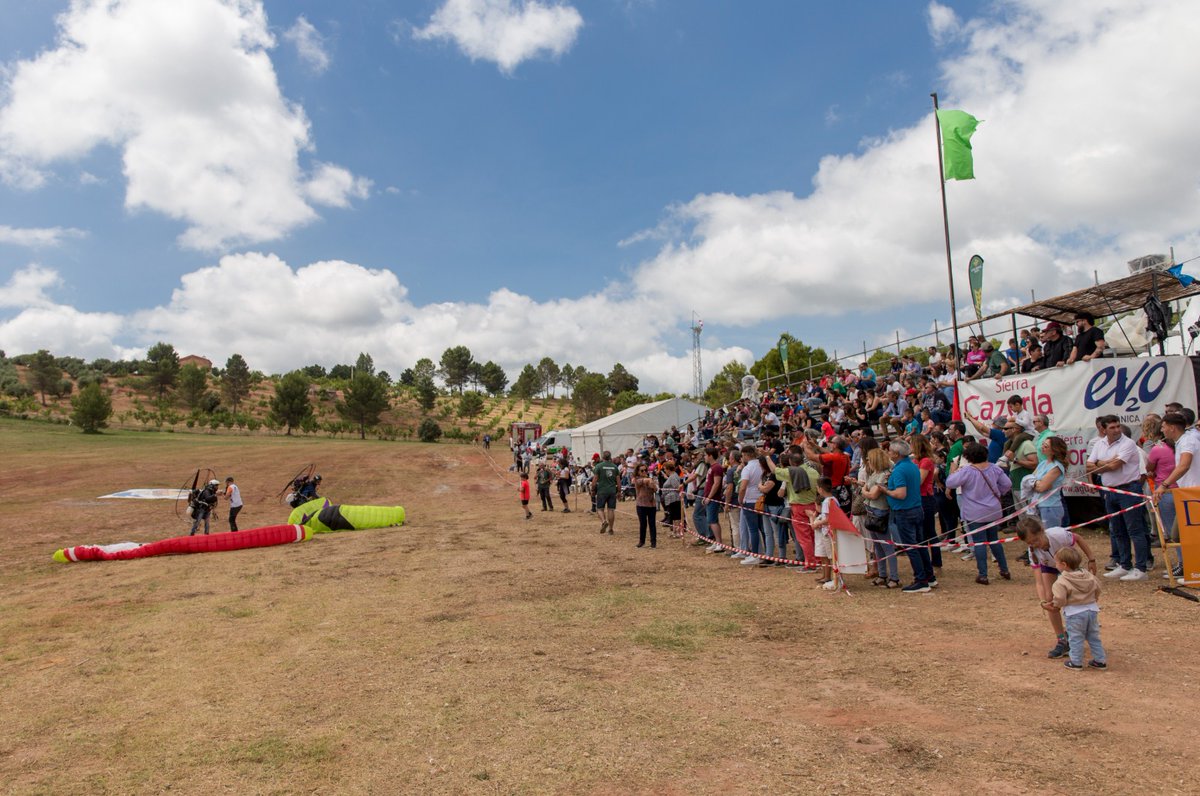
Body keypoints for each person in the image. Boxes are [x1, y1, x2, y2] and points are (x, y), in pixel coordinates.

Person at [1016, 516, 1098, 659]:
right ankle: (1062, 639)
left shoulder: (1058, 535)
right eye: (1030, 543)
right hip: (1049, 566)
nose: (1035, 545)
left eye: (1036, 540)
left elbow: (1078, 538)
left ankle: (1079, 629)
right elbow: (1039, 580)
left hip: (1067, 564)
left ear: (1042, 531)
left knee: (1076, 596)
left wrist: (1091, 559)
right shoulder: (1033, 552)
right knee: (1050, 599)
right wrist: (1043, 602)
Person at [1086, 414, 1150, 580]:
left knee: (1135, 529)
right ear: (1104, 429)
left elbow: (1116, 465)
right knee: (1117, 529)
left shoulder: (1128, 443)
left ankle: (1141, 568)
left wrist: (1102, 463)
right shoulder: (1099, 443)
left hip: (1128, 489)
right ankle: (1124, 564)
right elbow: (1089, 465)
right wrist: (1106, 463)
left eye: (1117, 426)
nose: (1116, 430)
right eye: (1112, 427)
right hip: (1110, 490)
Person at [945, 442, 1012, 584]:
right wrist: (998, 493)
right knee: (994, 540)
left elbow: (950, 483)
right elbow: (1007, 484)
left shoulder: (967, 471)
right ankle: (1004, 569)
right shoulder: (995, 468)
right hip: (993, 510)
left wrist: (954, 470)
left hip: (974, 512)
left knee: (979, 542)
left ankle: (983, 574)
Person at [1043, 546, 1107, 670]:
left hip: (1074, 613)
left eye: (1056, 562)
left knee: (1075, 637)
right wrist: (1095, 598)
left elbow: (1060, 598)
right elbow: (1098, 586)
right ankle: (1100, 660)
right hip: (1092, 610)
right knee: (1093, 636)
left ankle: (1076, 661)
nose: (1055, 565)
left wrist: (1055, 605)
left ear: (1064, 564)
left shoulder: (1061, 581)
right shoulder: (1087, 575)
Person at [883, 440, 934, 593]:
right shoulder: (912, 465)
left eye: (890, 451)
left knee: (911, 546)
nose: (889, 453)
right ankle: (929, 576)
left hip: (905, 511)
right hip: (916, 508)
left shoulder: (900, 470)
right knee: (920, 544)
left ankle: (921, 579)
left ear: (896, 454)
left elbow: (900, 493)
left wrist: (885, 491)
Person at [1155, 413, 1198, 578]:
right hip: (1188, 493)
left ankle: (1189, 567)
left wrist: (1164, 485)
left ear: (1172, 427)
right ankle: (1187, 566)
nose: (1163, 430)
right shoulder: (1183, 441)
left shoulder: (1188, 440)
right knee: (1179, 534)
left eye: (1164, 427)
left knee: (1181, 534)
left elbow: (1184, 465)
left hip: (1193, 493)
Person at [860, 447, 899, 587]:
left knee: (887, 546)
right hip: (871, 510)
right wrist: (864, 488)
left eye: (870, 459)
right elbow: (868, 489)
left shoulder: (884, 474)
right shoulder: (874, 473)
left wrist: (864, 490)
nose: (868, 462)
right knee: (877, 546)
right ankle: (882, 574)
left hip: (880, 511)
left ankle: (894, 577)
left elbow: (873, 494)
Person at [1030, 436, 1069, 527]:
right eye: (1042, 444)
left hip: (1050, 506)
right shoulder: (1042, 463)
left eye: (1046, 446)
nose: (1042, 447)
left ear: (1054, 450)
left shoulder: (1056, 466)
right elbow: (1029, 481)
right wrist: (1038, 483)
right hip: (1038, 504)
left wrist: (1036, 483)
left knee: (1050, 537)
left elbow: (1041, 487)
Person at [807, 478, 839, 589]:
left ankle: (835, 579)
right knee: (826, 555)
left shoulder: (826, 502)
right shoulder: (833, 499)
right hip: (829, 532)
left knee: (831, 557)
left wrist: (817, 523)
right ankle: (826, 576)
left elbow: (828, 518)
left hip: (828, 532)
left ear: (821, 489)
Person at [593, 451, 619, 535]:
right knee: (611, 509)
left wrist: (593, 490)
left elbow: (595, 479)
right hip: (612, 491)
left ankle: (604, 521)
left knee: (600, 509)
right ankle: (611, 529)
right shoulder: (615, 467)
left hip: (602, 490)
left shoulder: (598, 466)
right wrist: (619, 491)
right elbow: (618, 481)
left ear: (602, 457)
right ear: (610, 457)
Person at [633, 464, 658, 548]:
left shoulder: (650, 479)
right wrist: (650, 480)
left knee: (652, 524)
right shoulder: (637, 480)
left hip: (651, 505)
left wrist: (653, 484)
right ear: (638, 472)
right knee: (643, 524)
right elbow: (643, 481)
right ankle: (641, 541)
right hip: (641, 505)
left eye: (645, 470)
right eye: (642, 470)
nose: (644, 472)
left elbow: (656, 489)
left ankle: (653, 542)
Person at [661, 461, 684, 539]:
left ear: (668, 469)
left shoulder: (673, 476)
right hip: (671, 499)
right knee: (674, 516)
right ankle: (675, 531)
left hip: (674, 498)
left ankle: (677, 532)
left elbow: (677, 487)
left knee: (676, 516)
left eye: (665, 469)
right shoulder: (672, 476)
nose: (665, 471)